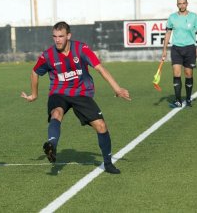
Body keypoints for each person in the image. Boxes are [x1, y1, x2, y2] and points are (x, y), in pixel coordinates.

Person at [21, 21, 131, 174]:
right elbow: (35, 72)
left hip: (81, 93)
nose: (57, 40)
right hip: (59, 92)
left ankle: (108, 163)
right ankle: (51, 145)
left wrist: (117, 88)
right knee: (56, 113)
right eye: (54, 36)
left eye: (61, 36)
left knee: (101, 126)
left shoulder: (81, 49)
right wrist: (34, 94)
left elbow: (100, 68)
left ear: (68, 36)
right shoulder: (48, 55)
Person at [161, 0, 197, 108]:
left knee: (188, 74)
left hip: (190, 49)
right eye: (179, 3)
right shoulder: (172, 17)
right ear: (177, 5)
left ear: (187, 4)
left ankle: (188, 99)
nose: (181, 5)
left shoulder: (194, 17)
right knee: (176, 73)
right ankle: (177, 100)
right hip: (176, 49)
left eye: (183, 3)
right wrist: (164, 50)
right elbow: (168, 33)